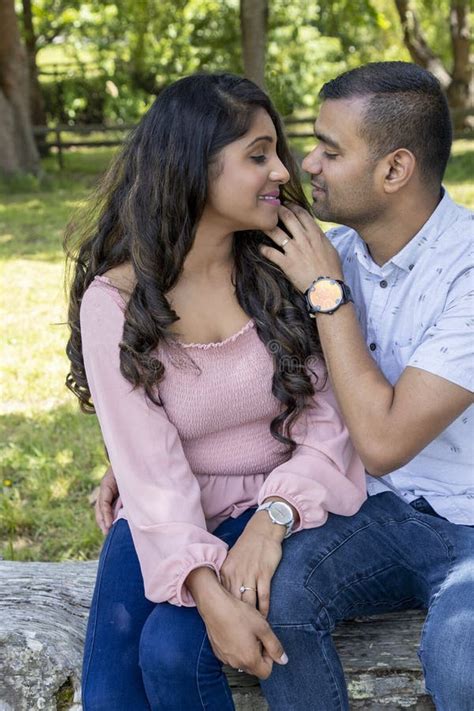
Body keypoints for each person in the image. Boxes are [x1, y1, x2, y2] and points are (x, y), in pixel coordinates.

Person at [65, 72, 366, 710]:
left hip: (286, 507)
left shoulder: (287, 266)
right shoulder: (115, 303)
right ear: (192, 167)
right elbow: (150, 472)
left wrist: (271, 517)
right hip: (167, 513)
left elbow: (328, 425)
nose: (283, 171)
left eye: (276, 151)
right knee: (112, 695)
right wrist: (206, 590)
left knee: (172, 652)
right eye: (258, 155)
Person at [254, 62, 473, 710]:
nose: (306, 167)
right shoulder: (331, 250)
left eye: (330, 149)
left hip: (469, 517)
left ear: (394, 169)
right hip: (368, 509)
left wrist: (328, 297)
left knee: (462, 655)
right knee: (278, 595)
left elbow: (383, 439)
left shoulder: (466, 269)